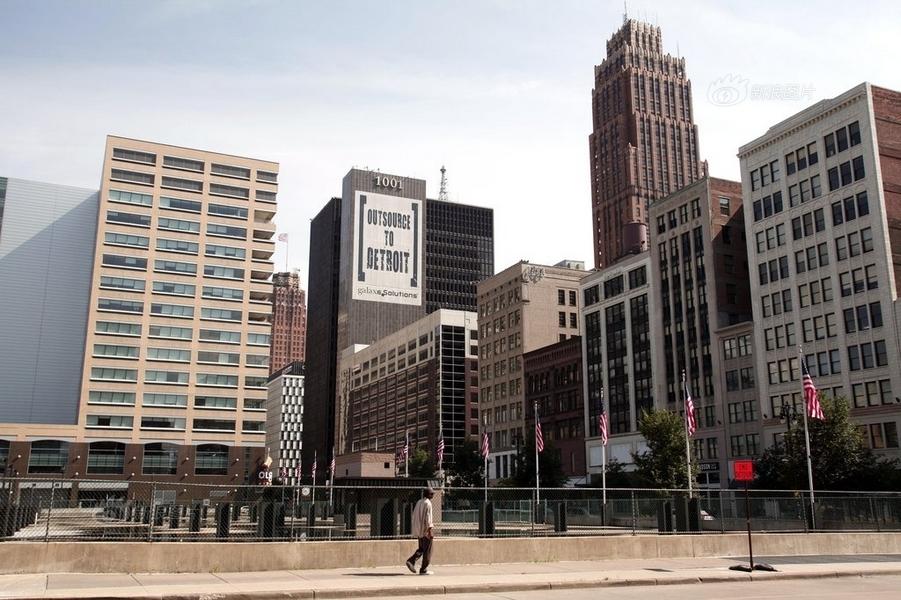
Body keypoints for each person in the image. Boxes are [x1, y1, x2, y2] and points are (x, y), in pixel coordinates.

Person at [406, 488, 435, 575]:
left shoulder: (419, 502)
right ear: (428, 494)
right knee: (428, 551)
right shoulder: (428, 503)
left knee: (421, 548)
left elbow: (414, 515)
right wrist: (430, 531)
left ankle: (411, 561)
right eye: (432, 494)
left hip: (419, 530)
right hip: (425, 531)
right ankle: (423, 569)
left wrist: (417, 529)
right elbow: (428, 518)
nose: (433, 495)